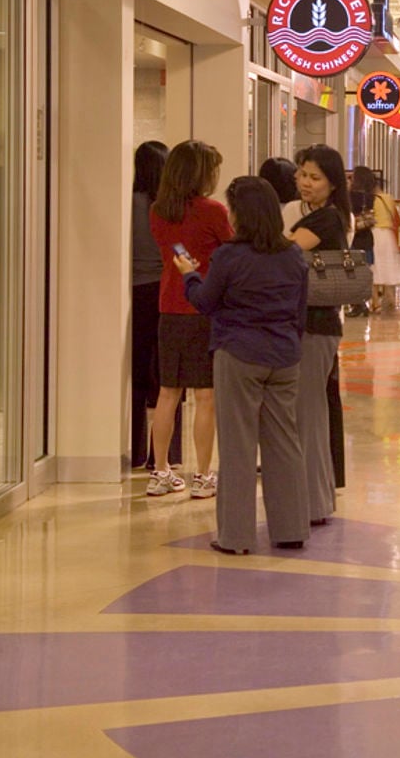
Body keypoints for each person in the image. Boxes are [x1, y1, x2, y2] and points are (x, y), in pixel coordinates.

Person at [174, 176, 310, 554]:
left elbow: (205, 302)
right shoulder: (291, 255)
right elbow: (300, 313)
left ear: (240, 214)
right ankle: (290, 529)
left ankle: (236, 537)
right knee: (284, 444)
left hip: (239, 353)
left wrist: (189, 275)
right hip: (284, 356)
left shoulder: (230, 257)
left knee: (238, 448)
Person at [147, 141, 232, 497]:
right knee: (206, 396)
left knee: (168, 393)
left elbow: (176, 251)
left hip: (169, 306)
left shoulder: (158, 211)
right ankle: (202, 475)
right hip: (204, 307)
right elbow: (230, 249)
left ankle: (161, 471)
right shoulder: (214, 210)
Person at [287, 144, 350, 524]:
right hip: (315, 326)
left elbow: (288, 253)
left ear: (332, 184)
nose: (305, 183)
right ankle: (318, 499)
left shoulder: (325, 219)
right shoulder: (319, 215)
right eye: (302, 174)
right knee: (313, 411)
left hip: (316, 325)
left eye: (314, 177)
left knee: (308, 414)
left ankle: (312, 504)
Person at [131, 140, 182, 470]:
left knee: (135, 375)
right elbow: (180, 250)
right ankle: (165, 456)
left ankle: (132, 450)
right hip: (165, 292)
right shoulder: (170, 208)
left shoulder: (127, 203)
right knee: (169, 378)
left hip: (133, 293)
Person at [371, 177, 400, 312]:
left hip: (376, 234)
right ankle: (390, 296)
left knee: (375, 266)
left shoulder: (372, 199)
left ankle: (375, 302)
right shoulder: (389, 198)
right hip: (388, 235)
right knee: (388, 265)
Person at [347, 164, 376, 316]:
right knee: (364, 272)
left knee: (352, 273)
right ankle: (363, 303)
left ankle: (357, 305)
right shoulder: (370, 196)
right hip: (367, 238)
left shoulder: (351, 196)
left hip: (355, 237)